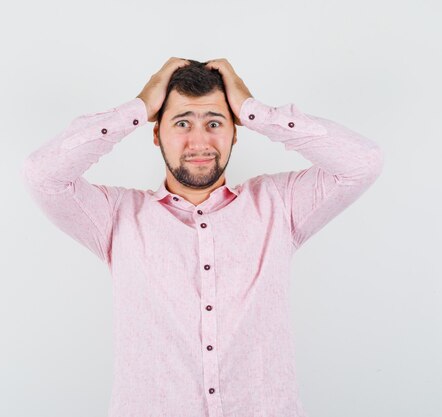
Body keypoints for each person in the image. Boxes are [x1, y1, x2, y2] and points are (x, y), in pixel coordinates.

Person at [22, 57, 383, 417]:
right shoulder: (116, 217)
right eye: (182, 123)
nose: (199, 141)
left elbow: (362, 162)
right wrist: (139, 106)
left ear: (235, 132)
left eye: (214, 122)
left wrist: (254, 110)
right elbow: (42, 175)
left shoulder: (280, 204)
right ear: (155, 132)